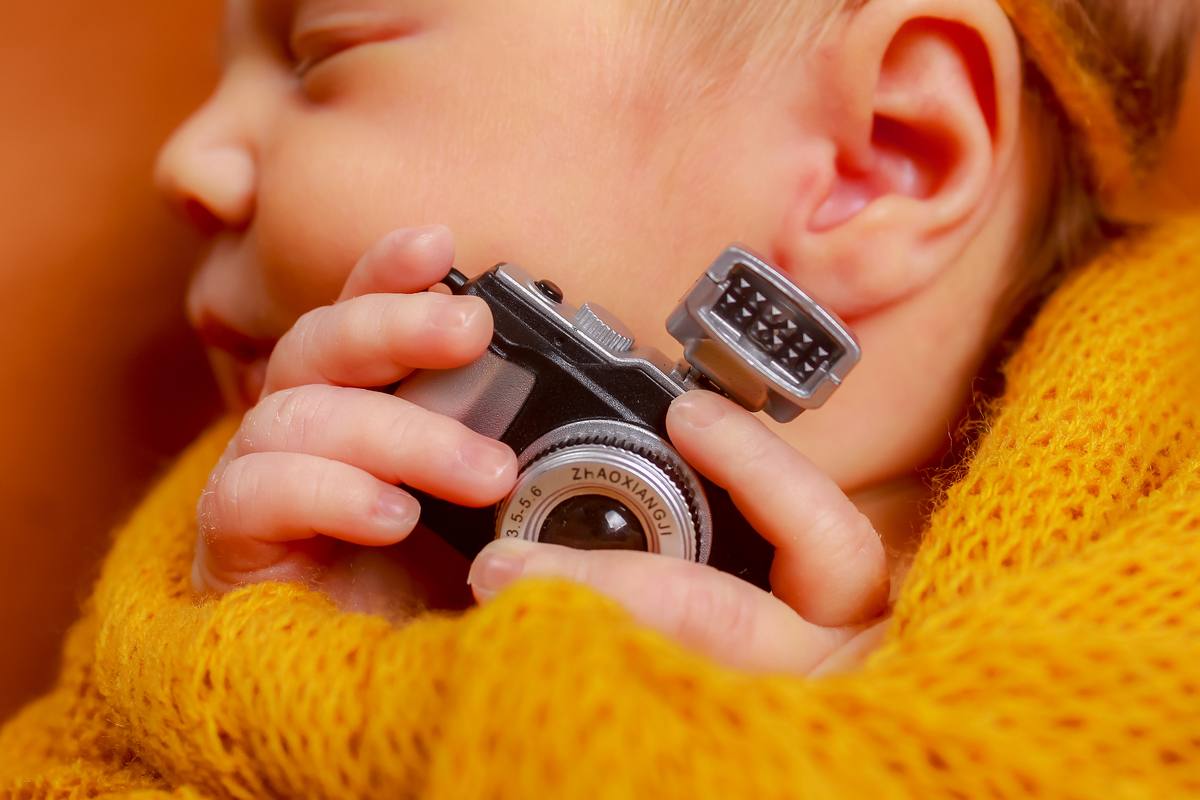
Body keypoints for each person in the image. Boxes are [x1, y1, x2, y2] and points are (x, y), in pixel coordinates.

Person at [2, 0, 1198, 796]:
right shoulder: (269, 520)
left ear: (880, 152)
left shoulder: (1153, 595)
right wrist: (283, 673)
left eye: (321, 48)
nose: (188, 159)